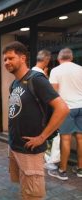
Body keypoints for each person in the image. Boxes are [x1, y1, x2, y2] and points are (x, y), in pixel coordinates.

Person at [2, 41, 69, 200]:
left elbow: (62, 109)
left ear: (23, 58)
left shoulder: (36, 79)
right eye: (5, 59)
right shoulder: (14, 84)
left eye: (11, 58)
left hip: (30, 151)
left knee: (32, 195)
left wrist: (42, 137)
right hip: (16, 146)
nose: (7, 62)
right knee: (25, 192)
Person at [48, 48, 82, 180]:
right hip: (81, 106)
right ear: (72, 58)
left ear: (58, 58)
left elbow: (54, 93)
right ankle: (80, 168)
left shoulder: (56, 71)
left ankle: (62, 170)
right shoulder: (80, 69)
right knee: (80, 138)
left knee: (65, 139)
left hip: (66, 108)